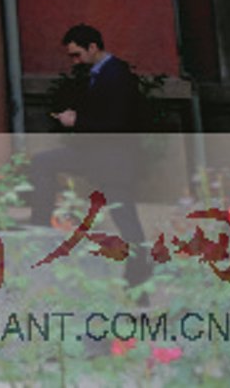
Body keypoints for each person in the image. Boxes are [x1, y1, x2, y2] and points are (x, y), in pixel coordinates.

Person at [27, 25, 148, 280]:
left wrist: (77, 121)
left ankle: (139, 276)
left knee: (126, 220)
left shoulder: (117, 74)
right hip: (97, 154)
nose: (75, 61)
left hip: (113, 159)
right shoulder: (101, 73)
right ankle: (39, 227)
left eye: (77, 54)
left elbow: (118, 122)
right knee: (42, 163)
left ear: (93, 47)